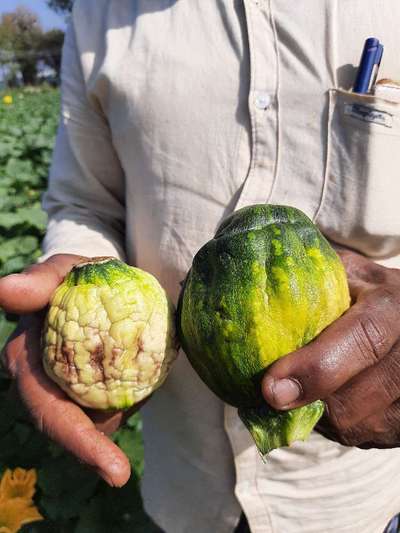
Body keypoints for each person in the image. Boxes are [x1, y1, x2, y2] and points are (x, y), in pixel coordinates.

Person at [2, 1, 400, 532]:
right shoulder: (100, 13)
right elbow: (84, 203)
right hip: (186, 481)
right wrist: (77, 276)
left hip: (353, 493)